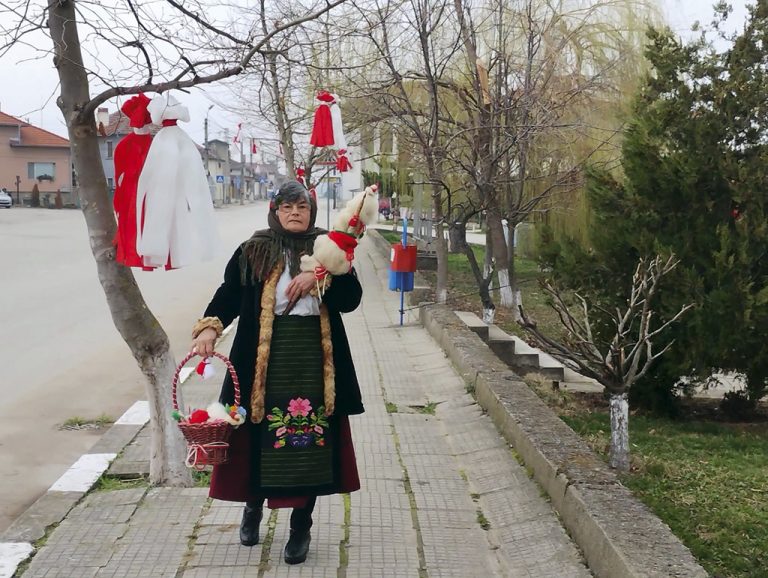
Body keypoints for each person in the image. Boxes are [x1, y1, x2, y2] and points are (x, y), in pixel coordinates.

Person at [191, 181, 364, 565]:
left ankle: (301, 525)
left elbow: (351, 300)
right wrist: (209, 327)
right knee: (256, 436)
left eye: (302, 207)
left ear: (312, 212)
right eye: (287, 206)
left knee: (312, 443)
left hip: (315, 362)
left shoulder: (329, 249)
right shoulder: (253, 249)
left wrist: (321, 276)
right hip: (260, 362)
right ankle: (252, 506)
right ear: (275, 211)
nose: (295, 213)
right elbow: (229, 294)